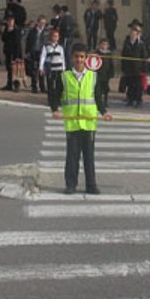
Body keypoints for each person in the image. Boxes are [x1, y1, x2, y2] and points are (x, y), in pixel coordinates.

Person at [53, 43, 111, 194]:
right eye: (76, 56)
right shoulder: (64, 76)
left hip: (89, 122)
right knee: (72, 156)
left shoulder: (93, 76)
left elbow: (98, 97)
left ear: (86, 58)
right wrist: (54, 109)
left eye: (82, 57)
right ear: (72, 58)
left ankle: (91, 185)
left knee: (89, 156)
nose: (79, 60)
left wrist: (103, 112)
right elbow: (54, 94)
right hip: (72, 122)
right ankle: (70, 184)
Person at [120, 21, 147, 107]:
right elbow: (123, 54)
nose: (132, 35)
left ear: (137, 35)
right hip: (128, 68)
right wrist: (123, 67)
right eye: (131, 33)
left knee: (138, 85)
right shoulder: (126, 43)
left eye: (134, 34)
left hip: (137, 68)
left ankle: (138, 100)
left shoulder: (141, 44)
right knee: (130, 85)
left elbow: (144, 56)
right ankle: (130, 99)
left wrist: (144, 68)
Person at [41, 26, 66, 111]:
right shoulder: (46, 47)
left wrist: (64, 68)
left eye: (57, 36)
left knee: (59, 85)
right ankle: (51, 100)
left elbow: (63, 58)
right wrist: (41, 68)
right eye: (54, 36)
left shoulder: (60, 47)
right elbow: (43, 57)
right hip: (50, 69)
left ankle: (58, 100)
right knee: (51, 85)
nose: (55, 38)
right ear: (51, 37)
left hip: (59, 68)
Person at [0, 15, 23, 91]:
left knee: (15, 70)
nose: (10, 23)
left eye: (11, 21)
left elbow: (17, 43)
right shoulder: (6, 29)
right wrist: (6, 31)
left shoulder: (16, 30)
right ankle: (9, 84)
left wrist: (16, 56)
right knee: (9, 69)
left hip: (15, 53)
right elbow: (3, 39)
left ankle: (16, 86)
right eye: (8, 21)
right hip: (8, 52)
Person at [93, 36, 115, 115]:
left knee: (105, 88)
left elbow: (111, 64)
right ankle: (98, 101)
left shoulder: (109, 54)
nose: (104, 46)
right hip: (98, 73)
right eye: (102, 44)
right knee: (98, 89)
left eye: (105, 44)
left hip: (106, 74)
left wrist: (111, 73)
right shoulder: (96, 53)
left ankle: (105, 101)